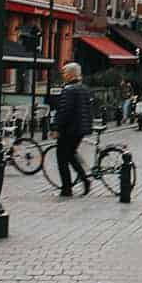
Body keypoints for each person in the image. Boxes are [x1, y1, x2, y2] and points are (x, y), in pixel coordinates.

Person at [50, 63, 93, 197]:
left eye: (65, 73)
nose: (63, 75)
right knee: (70, 155)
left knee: (62, 158)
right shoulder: (84, 89)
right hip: (80, 129)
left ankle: (67, 188)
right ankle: (84, 179)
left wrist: (56, 128)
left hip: (69, 129)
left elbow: (64, 111)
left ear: (71, 74)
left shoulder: (69, 90)